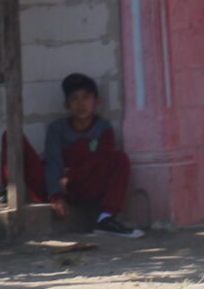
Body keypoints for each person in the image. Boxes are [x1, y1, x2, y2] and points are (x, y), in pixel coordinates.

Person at [24, 73, 140, 236]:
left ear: (97, 101)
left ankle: (106, 218)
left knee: (119, 158)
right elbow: (54, 160)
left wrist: (71, 176)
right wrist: (56, 195)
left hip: (85, 186)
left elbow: (101, 159)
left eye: (86, 98)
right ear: (66, 105)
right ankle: (9, 190)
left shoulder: (103, 128)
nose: (80, 104)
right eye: (74, 99)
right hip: (58, 187)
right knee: (13, 139)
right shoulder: (57, 128)